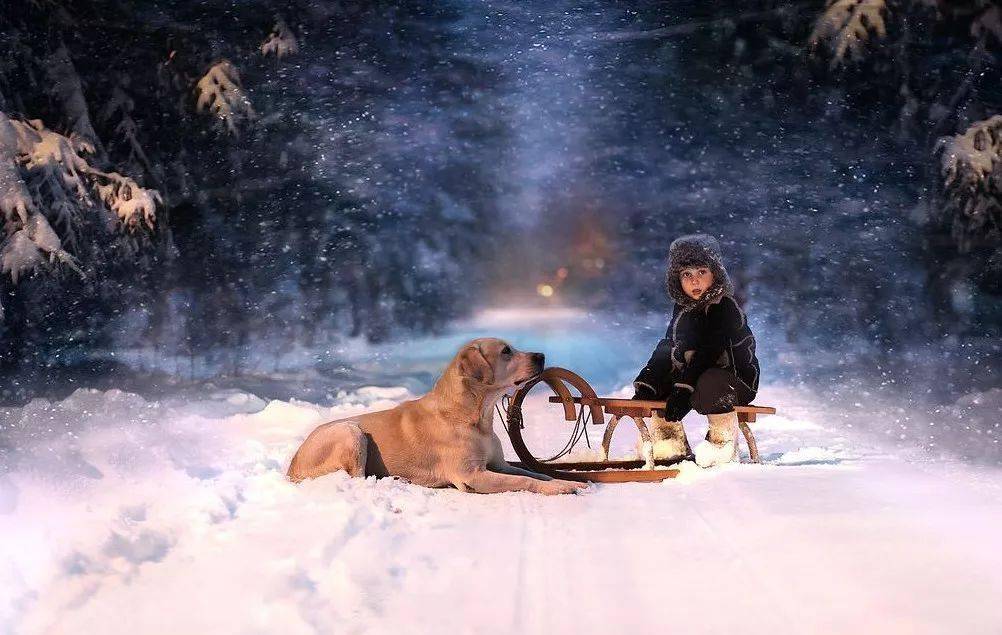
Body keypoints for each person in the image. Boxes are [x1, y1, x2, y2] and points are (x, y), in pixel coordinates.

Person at [632, 234, 760, 467]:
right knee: (663, 380)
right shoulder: (682, 311)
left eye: (702, 272)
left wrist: (684, 389)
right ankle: (669, 441)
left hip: (734, 380)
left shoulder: (724, 307)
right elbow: (668, 347)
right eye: (686, 275)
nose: (695, 281)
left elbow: (710, 351)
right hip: (696, 377)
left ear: (715, 275)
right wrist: (649, 382)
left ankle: (721, 443)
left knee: (709, 380)